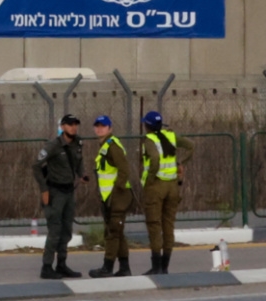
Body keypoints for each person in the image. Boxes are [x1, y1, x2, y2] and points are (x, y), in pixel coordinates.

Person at [32, 114, 87, 279]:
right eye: (70, 125)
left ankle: (61, 264)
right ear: (62, 127)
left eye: (75, 124)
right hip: (54, 193)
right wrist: (44, 189)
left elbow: (79, 161)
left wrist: (81, 174)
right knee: (55, 230)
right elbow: (36, 165)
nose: (73, 127)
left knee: (66, 230)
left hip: (69, 192)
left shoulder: (78, 143)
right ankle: (47, 267)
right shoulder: (53, 146)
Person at [139, 110, 193, 275]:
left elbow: (154, 159)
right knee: (168, 226)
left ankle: (156, 267)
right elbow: (191, 146)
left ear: (147, 126)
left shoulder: (149, 140)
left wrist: (150, 178)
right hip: (172, 186)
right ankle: (165, 266)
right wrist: (180, 163)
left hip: (157, 186)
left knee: (155, 225)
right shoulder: (170, 136)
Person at [87, 115, 133, 277]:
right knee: (117, 232)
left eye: (103, 126)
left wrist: (116, 192)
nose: (100, 129)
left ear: (110, 128)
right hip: (109, 197)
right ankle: (125, 268)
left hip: (117, 197)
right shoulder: (104, 146)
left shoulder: (113, 146)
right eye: (97, 126)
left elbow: (124, 170)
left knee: (113, 232)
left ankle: (107, 267)